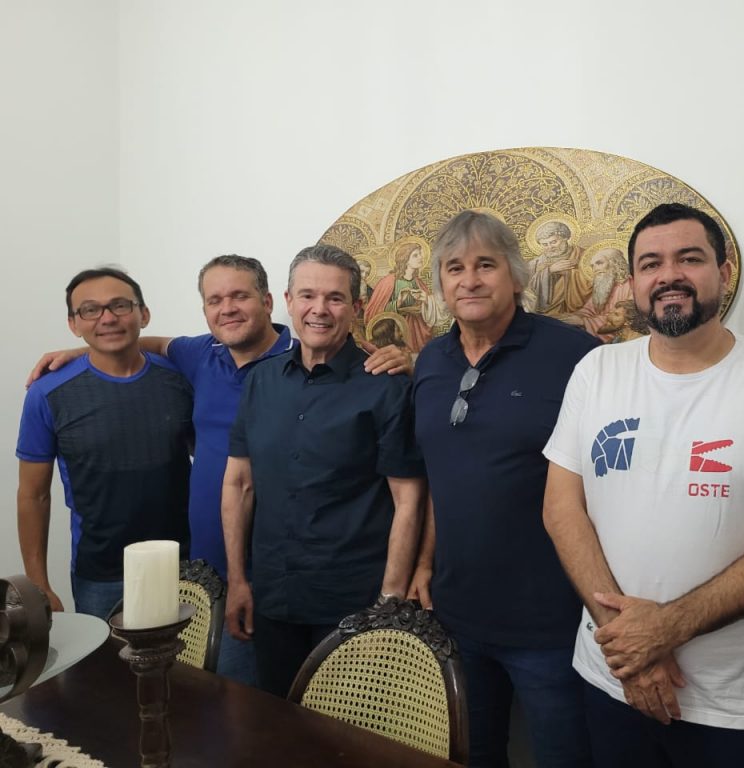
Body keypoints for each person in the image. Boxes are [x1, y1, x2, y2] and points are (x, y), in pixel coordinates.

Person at [25, 254, 410, 685]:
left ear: (269, 302)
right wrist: (83, 350)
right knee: (206, 696)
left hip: (300, 578)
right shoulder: (199, 354)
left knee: (282, 698)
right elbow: (147, 342)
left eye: (240, 296)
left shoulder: (313, 357)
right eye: (215, 300)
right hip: (207, 570)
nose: (228, 308)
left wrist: (405, 358)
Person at [542, 203, 744, 767]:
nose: (669, 275)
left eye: (689, 258)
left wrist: (666, 628)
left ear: (723, 273)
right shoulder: (597, 371)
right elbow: (561, 509)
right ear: (632, 283)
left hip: (736, 703)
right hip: (610, 678)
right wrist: (630, 645)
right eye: (651, 264)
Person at [409, 210, 599, 768]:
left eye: (485, 265)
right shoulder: (431, 361)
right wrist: (424, 562)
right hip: (456, 614)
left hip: (550, 621)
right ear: (441, 285)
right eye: (455, 268)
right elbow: (440, 476)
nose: (469, 280)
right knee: (473, 755)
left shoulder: (576, 356)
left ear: (516, 276)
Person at [222, 244, 425, 697]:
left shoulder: (386, 388)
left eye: (335, 298)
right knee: (276, 725)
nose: (319, 309)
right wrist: (238, 580)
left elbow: (408, 500)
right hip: (273, 596)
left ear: (356, 307)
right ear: (288, 301)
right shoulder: (260, 381)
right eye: (308, 295)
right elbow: (239, 483)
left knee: (348, 732)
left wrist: (389, 605)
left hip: (353, 603)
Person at [16, 267, 192, 620]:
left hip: (186, 563)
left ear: (144, 314)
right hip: (100, 575)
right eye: (90, 310)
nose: (107, 318)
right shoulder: (47, 393)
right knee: (105, 659)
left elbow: (211, 461)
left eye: (120, 305)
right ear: (74, 323)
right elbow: (33, 496)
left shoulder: (181, 378)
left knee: (191, 659)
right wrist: (38, 584)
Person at [565, 247, 633, 341]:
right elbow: (589, 310)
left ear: (614, 263)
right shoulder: (603, 285)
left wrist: (584, 322)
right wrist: (573, 317)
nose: (595, 269)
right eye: (592, 266)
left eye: (599, 263)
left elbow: (624, 317)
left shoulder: (632, 285)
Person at [526, 220, 590, 315]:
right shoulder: (534, 264)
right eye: (545, 244)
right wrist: (550, 271)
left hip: (579, 311)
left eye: (553, 242)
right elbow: (527, 292)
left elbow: (592, 281)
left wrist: (570, 274)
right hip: (546, 316)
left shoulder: (583, 256)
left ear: (565, 238)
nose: (550, 247)